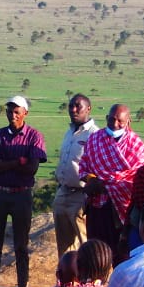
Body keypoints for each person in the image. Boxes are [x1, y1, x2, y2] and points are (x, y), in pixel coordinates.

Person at [0, 95, 48, 287]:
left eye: (16, 112)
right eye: (9, 111)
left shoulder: (34, 137)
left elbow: (31, 168)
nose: (12, 115)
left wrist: (6, 165)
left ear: (25, 114)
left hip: (21, 195)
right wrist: (17, 162)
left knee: (21, 247)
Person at [79, 103, 144, 261]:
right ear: (106, 118)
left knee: (120, 253)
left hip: (122, 208)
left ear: (128, 122)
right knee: (95, 252)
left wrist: (107, 182)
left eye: (120, 121)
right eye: (111, 120)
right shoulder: (95, 138)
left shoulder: (137, 146)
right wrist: (92, 180)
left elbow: (136, 176)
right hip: (97, 204)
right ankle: (96, 284)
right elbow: (83, 166)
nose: (115, 124)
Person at [52, 94, 98, 258]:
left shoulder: (95, 135)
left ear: (88, 108)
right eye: (71, 105)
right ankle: (66, 279)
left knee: (84, 243)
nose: (73, 109)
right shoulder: (69, 132)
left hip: (81, 195)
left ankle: (89, 279)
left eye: (78, 106)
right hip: (63, 191)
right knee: (63, 245)